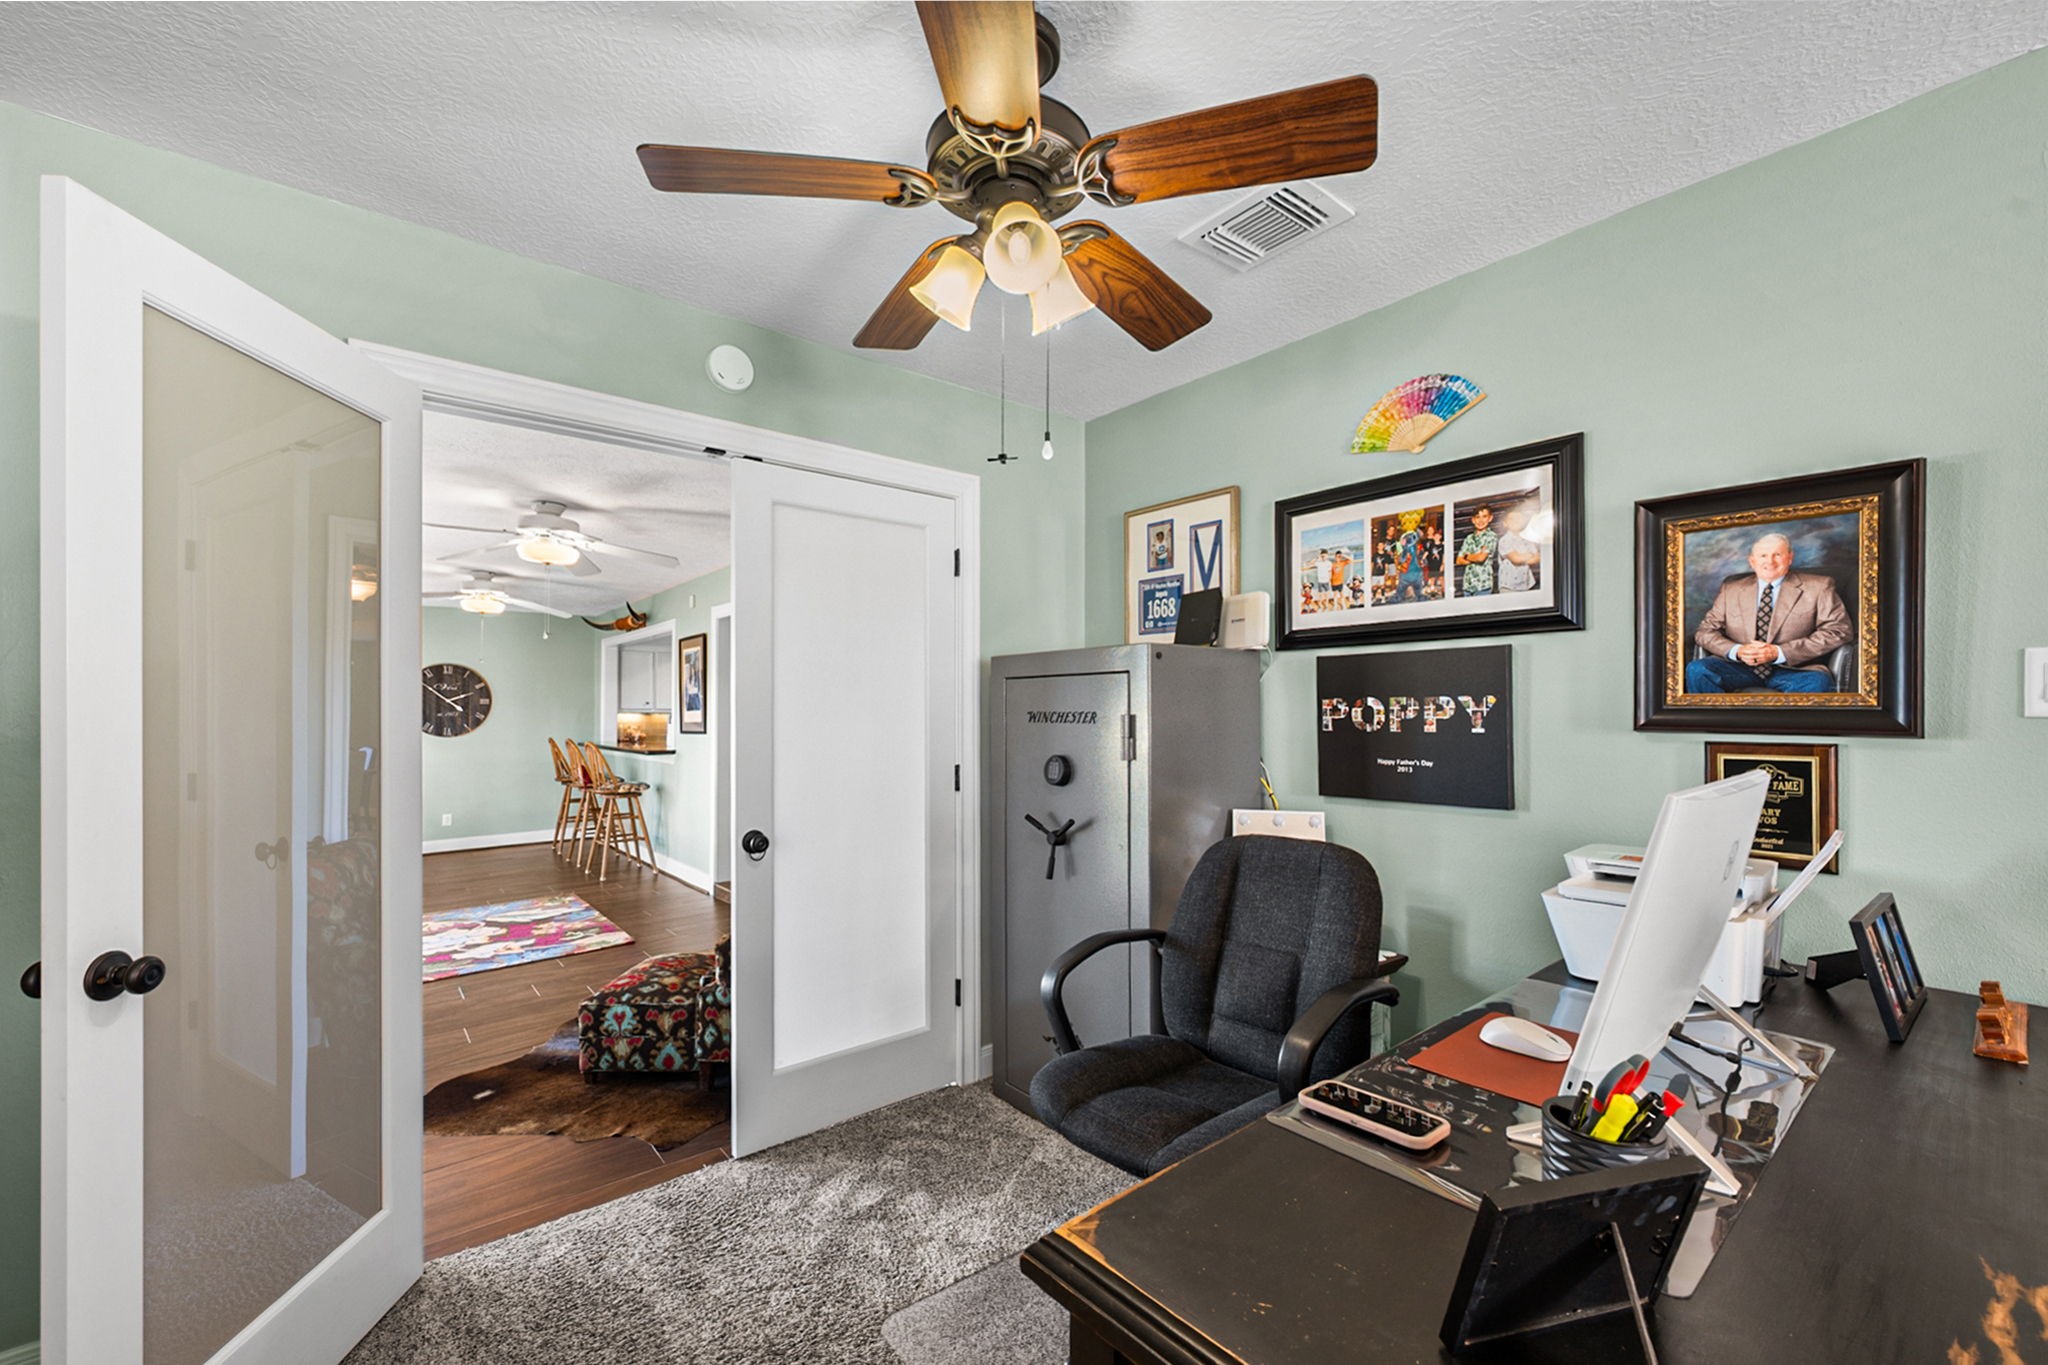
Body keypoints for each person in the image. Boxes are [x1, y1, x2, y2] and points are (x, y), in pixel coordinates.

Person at [1685, 532, 1851, 693]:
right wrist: (1737, 651)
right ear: (1752, 561)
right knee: (1699, 671)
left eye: (1777, 554)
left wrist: (1779, 653)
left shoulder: (1819, 587)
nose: (1770, 561)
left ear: (1790, 558)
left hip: (1794, 669)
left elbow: (1839, 631)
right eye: (1763, 555)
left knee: (1817, 682)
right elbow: (1705, 632)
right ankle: (1716, 722)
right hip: (1739, 667)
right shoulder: (1732, 590)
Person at [1455, 505, 1498, 596]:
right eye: (1478, 517)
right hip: (1467, 584)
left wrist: (1467, 556)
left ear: (1490, 518)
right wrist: (1475, 557)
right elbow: (1458, 560)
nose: (1481, 521)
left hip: (1483, 585)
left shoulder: (1491, 536)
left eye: (1484, 516)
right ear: (1473, 520)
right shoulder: (1468, 538)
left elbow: (1480, 558)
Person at [1497, 504, 1541, 592]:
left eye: (1518, 519)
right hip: (1508, 585)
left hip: (1526, 583)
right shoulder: (1505, 540)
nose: (1515, 522)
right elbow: (1516, 559)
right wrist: (1529, 555)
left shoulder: (1527, 539)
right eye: (1511, 519)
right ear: (1505, 523)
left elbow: (1537, 558)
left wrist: (1523, 557)